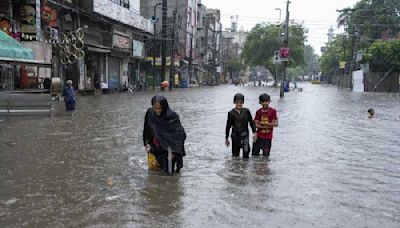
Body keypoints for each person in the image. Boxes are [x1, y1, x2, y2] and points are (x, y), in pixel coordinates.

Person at [143, 95, 186, 174]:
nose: (157, 111)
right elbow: (147, 129)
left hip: (169, 149)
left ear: (164, 107)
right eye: (155, 108)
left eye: (160, 108)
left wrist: (174, 152)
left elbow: (179, 135)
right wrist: (147, 143)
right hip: (155, 146)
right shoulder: (150, 113)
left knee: (169, 173)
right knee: (155, 171)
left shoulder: (172, 116)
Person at [225, 93, 256, 158]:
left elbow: (251, 122)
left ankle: (245, 167)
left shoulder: (246, 111)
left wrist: (254, 132)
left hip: (245, 136)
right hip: (235, 136)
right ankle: (236, 167)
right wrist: (226, 138)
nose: (239, 104)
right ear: (234, 102)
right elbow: (228, 126)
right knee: (235, 156)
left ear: (243, 102)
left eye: (241, 102)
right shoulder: (231, 113)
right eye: (237, 102)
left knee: (246, 153)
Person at [252, 93, 278, 158]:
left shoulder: (273, 111)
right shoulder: (258, 112)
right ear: (260, 102)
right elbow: (255, 125)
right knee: (254, 156)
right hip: (258, 137)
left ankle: (265, 168)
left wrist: (264, 123)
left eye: (266, 101)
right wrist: (268, 125)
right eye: (263, 101)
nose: (265, 103)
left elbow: (276, 124)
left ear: (269, 101)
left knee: (266, 157)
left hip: (268, 138)